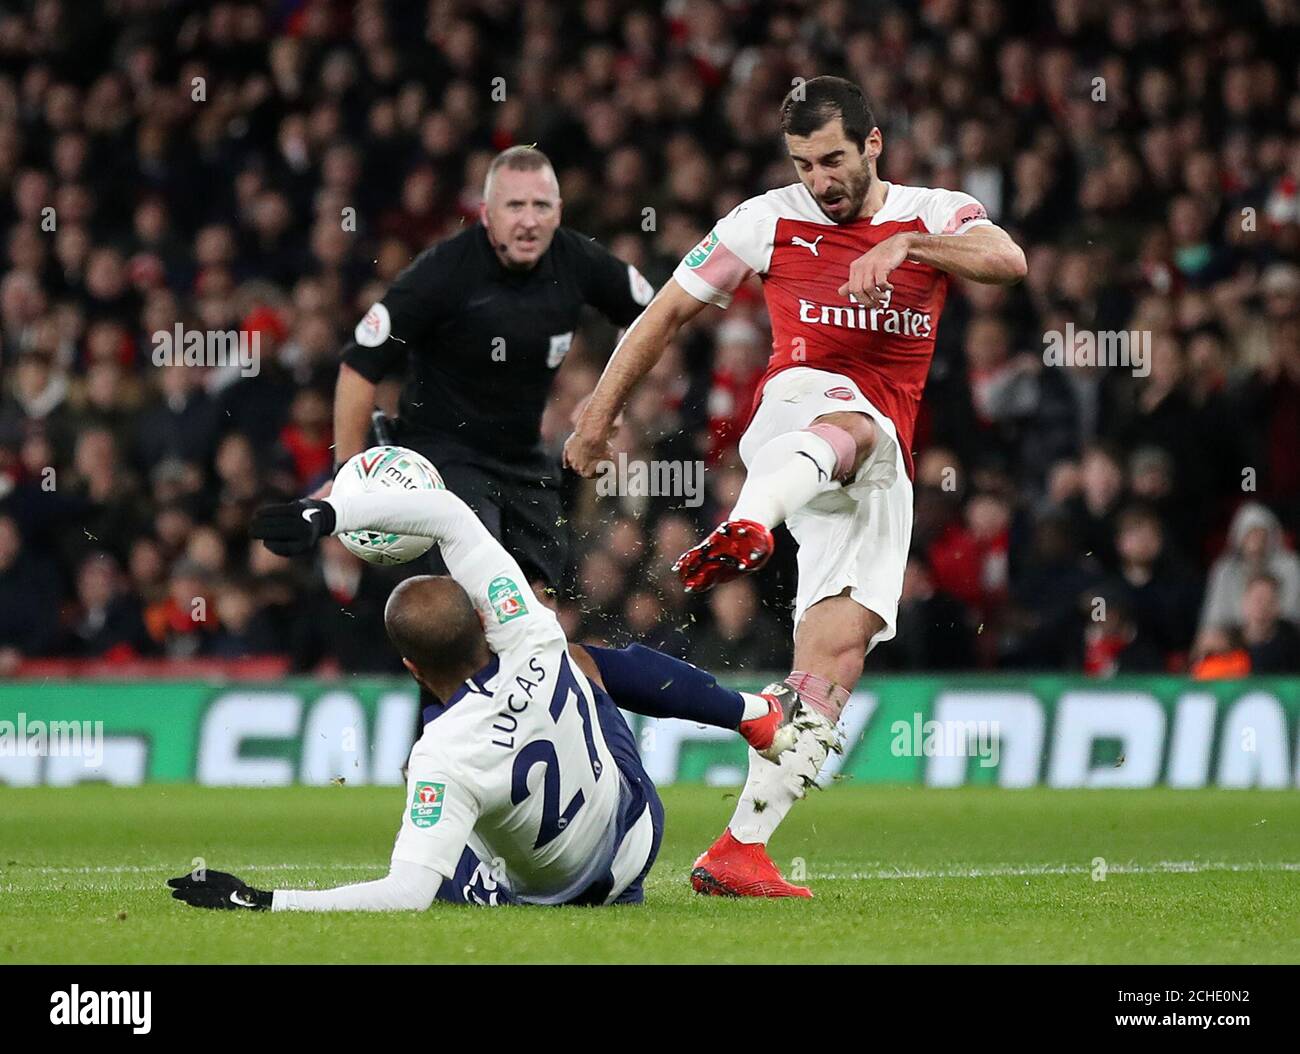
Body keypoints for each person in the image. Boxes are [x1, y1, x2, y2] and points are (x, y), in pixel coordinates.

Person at [564, 76, 1026, 897]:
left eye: (834, 160)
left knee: (833, 661)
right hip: (797, 415)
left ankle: (740, 848)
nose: (820, 180)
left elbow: (1008, 260)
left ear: (873, 143)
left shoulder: (935, 210)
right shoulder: (764, 219)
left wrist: (909, 247)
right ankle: (750, 521)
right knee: (849, 424)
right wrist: (598, 414)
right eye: (805, 164)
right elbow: (665, 312)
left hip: (882, 466)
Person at [166, 487, 809, 912]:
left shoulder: (440, 754)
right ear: (483, 620)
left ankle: (490, 869)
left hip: (577, 897)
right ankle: (749, 713)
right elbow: (445, 512)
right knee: (582, 663)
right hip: (640, 827)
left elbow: (406, 894)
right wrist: (329, 513)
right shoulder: (530, 631)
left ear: (410, 666)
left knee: (443, 832)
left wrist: (265, 900)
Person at [330, 145, 654, 597]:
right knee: (477, 589)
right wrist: (346, 475)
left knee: (540, 601)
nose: (529, 220)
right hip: (443, 454)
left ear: (558, 212)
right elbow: (359, 366)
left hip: (522, 456)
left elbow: (653, 316)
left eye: (541, 206)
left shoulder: (576, 260)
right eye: (514, 205)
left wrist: (610, 399)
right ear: (486, 213)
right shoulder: (442, 272)